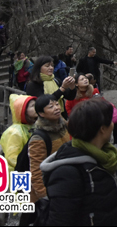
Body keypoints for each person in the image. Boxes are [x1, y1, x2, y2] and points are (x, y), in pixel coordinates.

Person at [41, 98, 117, 225]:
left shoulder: (106, 156)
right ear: (102, 129)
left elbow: (111, 190)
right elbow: (59, 221)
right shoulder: (67, 173)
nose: (113, 124)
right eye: (110, 121)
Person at [22, 95, 71, 226]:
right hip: (51, 191)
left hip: (64, 184)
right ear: (41, 114)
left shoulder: (63, 124)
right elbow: (36, 172)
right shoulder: (39, 138)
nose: (56, 108)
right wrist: (45, 197)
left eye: (56, 104)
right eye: (50, 106)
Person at [0, 94, 37, 172]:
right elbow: (12, 158)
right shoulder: (14, 132)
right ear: (22, 110)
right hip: (18, 174)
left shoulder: (33, 126)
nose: (36, 108)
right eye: (32, 106)